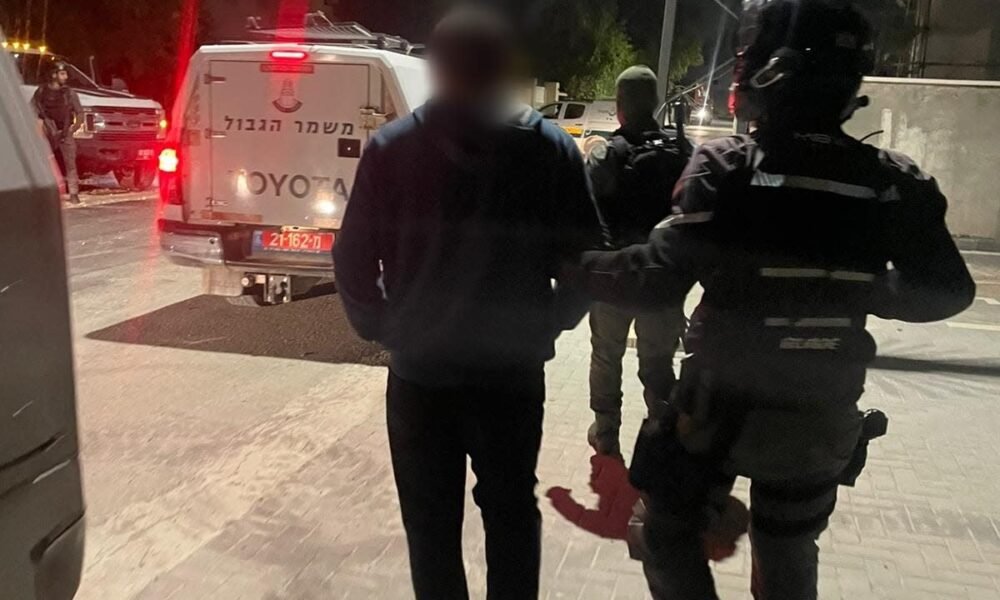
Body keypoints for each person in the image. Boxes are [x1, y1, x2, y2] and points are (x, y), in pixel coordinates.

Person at [567, 1, 976, 598]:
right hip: (821, 413)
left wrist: (566, 264)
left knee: (663, 534)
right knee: (789, 553)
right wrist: (855, 288)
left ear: (767, 74)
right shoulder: (893, 182)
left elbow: (653, 278)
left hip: (719, 414)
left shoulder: (727, 169)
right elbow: (950, 290)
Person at [333, 6, 604, 599]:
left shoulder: (392, 148)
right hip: (511, 378)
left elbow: (351, 257)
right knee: (511, 514)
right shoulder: (549, 148)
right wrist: (549, 323)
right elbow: (588, 260)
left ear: (438, 67)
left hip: (421, 379)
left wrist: (383, 326)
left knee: (430, 527)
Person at [585, 66, 689, 458]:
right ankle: (661, 431)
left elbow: (584, 214)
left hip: (614, 277)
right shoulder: (683, 151)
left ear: (620, 106)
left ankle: (606, 431)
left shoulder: (606, 154)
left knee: (606, 355)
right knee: (658, 363)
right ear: (656, 103)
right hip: (662, 280)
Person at [32, 61, 83, 204]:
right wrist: (40, 129)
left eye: (65, 74)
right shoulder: (41, 92)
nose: (65, 77)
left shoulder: (69, 93)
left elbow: (80, 113)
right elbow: (33, 110)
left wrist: (73, 129)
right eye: (62, 74)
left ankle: (73, 193)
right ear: (53, 75)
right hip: (48, 132)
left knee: (70, 164)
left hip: (65, 132)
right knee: (44, 164)